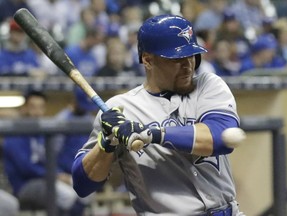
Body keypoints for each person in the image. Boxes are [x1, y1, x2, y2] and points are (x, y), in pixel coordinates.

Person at [72, 14, 245, 215]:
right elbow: (82, 185)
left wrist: (152, 134)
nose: (187, 64)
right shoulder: (120, 108)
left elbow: (220, 137)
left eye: (191, 55)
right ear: (147, 59)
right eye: (176, 58)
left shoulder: (208, 85)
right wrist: (107, 143)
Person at [3, 90, 85, 216]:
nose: (37, 112)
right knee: (66, 195)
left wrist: (60, 174)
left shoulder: (40, 133)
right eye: (32, 107)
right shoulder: (15, 134)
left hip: (45, 179)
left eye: (41, 107)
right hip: (24, 185)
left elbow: (50, 160)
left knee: (82, 188)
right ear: (24, 108)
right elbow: (26, 168)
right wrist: (55, 176)